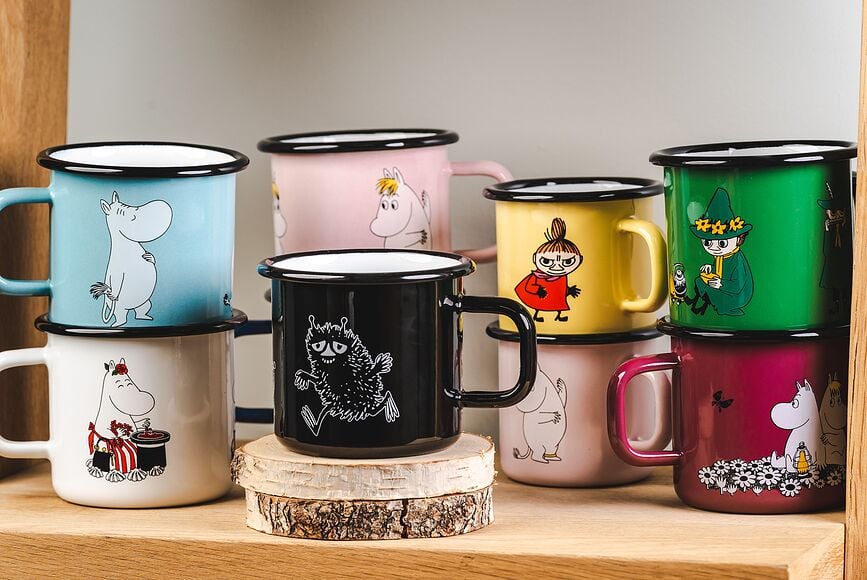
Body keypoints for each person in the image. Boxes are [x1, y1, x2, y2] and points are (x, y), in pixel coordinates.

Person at [514, 217, 582, 322]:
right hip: (540, 299)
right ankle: (536, 316)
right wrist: (538, 290)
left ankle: (558, 316)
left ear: (580, 260)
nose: (557, 267)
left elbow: (561, 289)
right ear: (534, 258)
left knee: (558, 305)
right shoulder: (537, 276)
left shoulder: (562, 277)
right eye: (546, 261)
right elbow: (529, 286)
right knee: (538, 306)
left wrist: (569, 291)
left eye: (567, 262)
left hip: (555, 301)